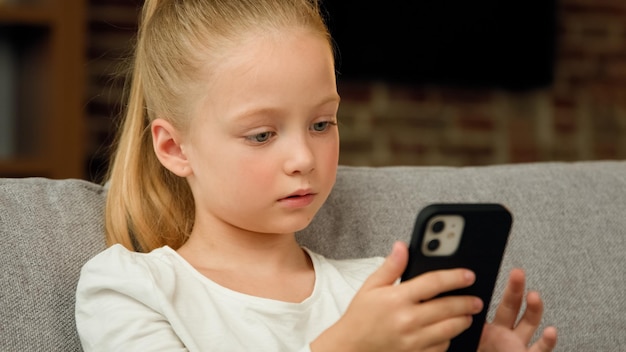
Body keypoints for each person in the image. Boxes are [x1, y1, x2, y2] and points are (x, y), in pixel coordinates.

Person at [75, 0, 558, 351]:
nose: (304, 157)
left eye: (322, 124)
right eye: (263, 134)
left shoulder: (379, 292)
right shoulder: (132, 288)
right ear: (174, 148)